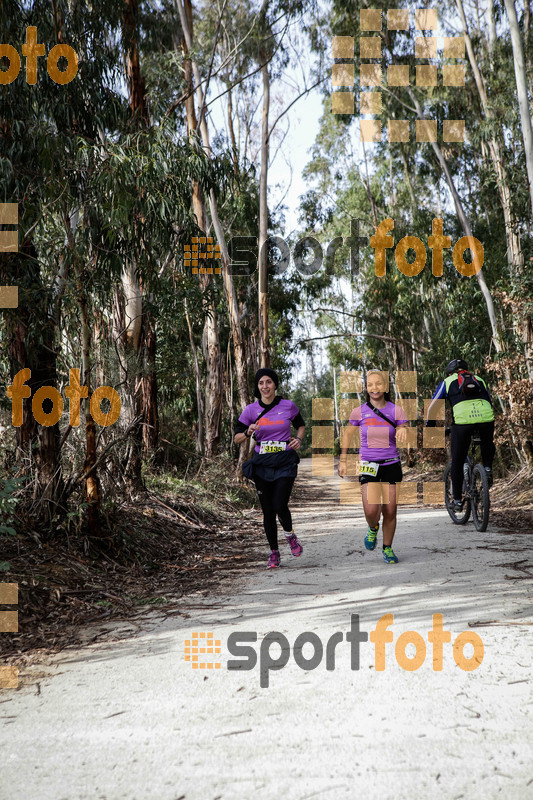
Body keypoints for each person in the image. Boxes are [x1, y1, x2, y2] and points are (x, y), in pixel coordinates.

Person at [234, 368, 305, 569]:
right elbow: (236, 438)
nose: (265, 386)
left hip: (284, 460)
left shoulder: (288, 406)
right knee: (267, 511)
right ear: (257, 387)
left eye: (269, 382)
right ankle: (274, 553)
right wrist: (248, 431)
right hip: (262, 463)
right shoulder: (250, 410)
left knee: (279, 504)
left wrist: (298, 439)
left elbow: (300, 424)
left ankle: (290, 535)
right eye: (261, 383)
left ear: (275, 384)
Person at [338, 369, 409, 564]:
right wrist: (343, 461)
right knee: (371, 511)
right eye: (370, 385)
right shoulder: (358, 411)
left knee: (390, 511)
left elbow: (403, 426)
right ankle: (373, 527)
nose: (374, 388)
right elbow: (347, 435)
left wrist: (403, 430)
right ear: (366, 388)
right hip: (368, 465)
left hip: (391, 464)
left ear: (385, 386)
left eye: (378, 384)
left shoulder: (396, 410)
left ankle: (387, 548)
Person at [426, 358, 495, 512]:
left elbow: (432, 407)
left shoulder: (448, 381)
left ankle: (457, 501)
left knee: (457, 461)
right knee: (487, 441)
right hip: (486, 419)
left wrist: (429, 427)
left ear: (450, 372)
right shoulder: (479, 379)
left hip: (463, 424)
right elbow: (489, 401)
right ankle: (488, 468)